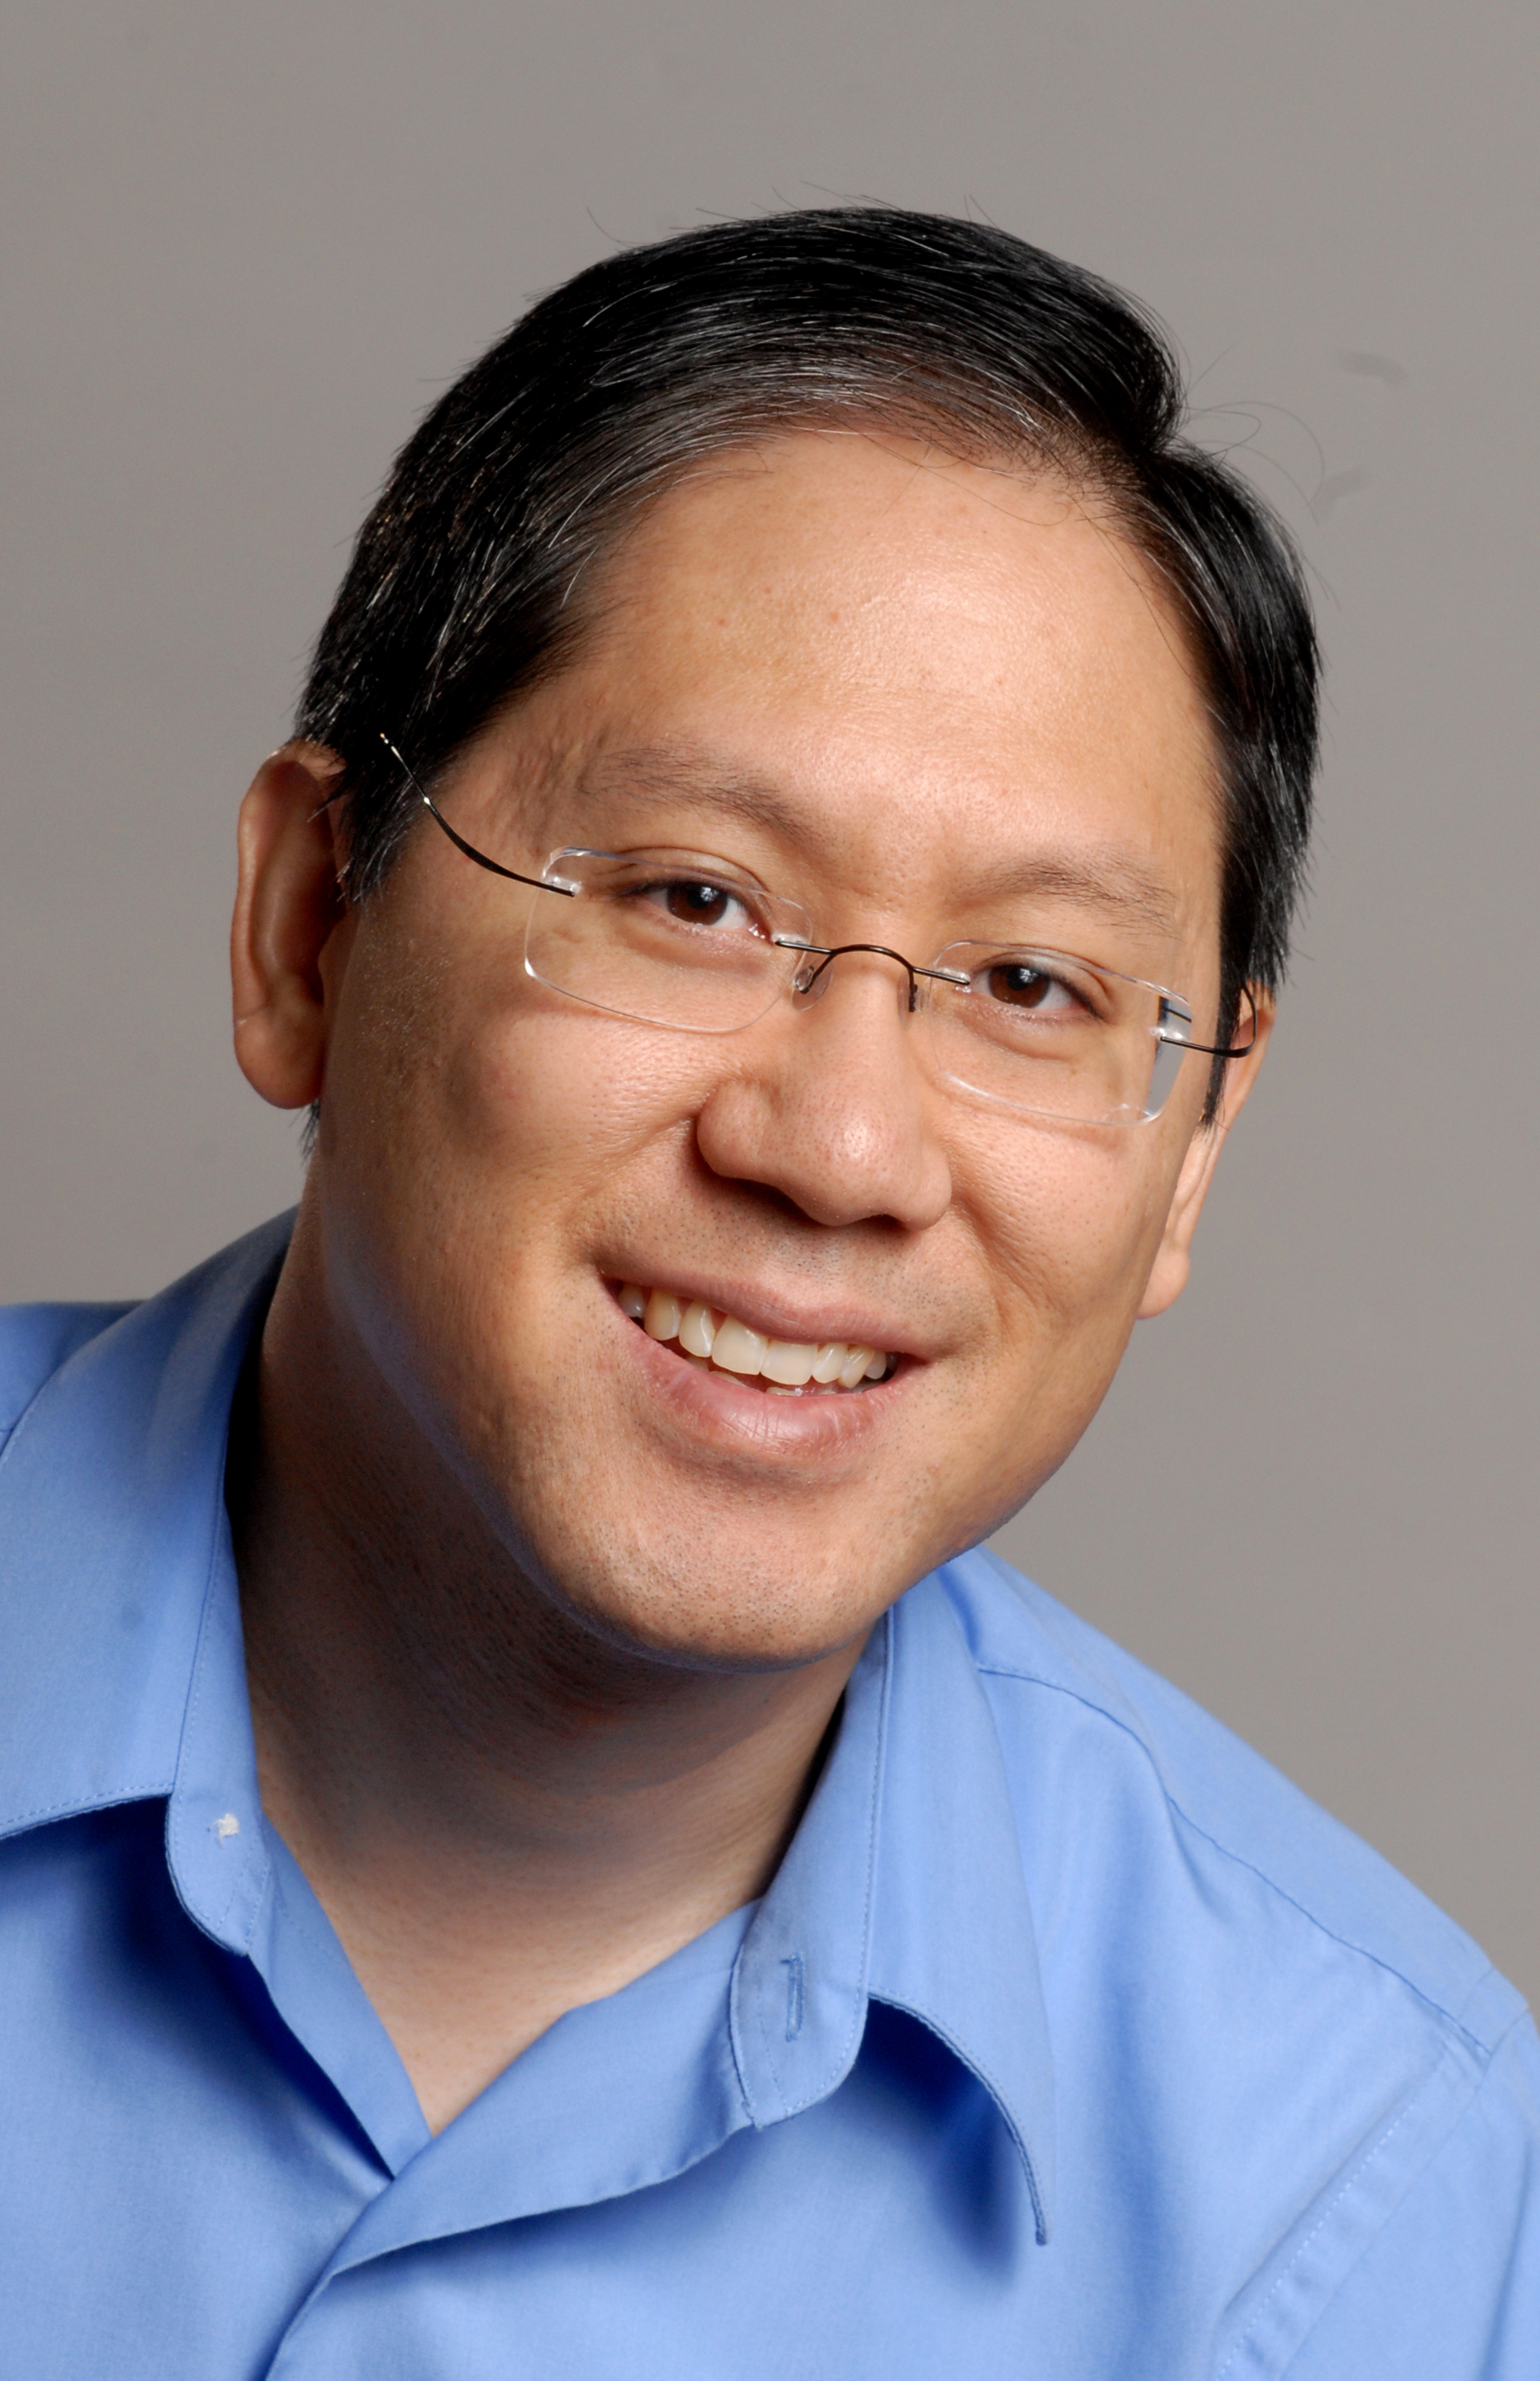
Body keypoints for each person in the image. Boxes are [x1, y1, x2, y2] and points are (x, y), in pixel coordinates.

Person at [1, 207, 1534, 2380]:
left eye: (1030, 985)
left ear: (1197, 1142)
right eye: (699, 898)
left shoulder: (1366, 2191)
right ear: (305, 930)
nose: (837, 1152)